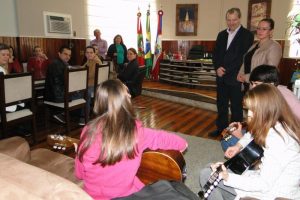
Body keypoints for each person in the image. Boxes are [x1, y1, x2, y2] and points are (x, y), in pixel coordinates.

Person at [75, 79, 187, 200]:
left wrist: (78, 154)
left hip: (91, 196)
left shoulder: (88, 131)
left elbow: (79, 174)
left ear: (99, 102)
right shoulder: (139, 132)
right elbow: (182, 144)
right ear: (126, 101)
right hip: (125, 195)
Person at [200, 84, 300, 200]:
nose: (249, 114)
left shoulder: (277, 140)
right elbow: (251, 134)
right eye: (248, 110)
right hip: (267, 182)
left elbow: (263, 184)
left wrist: (227, 177)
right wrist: (238, 145)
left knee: (207, 175)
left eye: (253, 110)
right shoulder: (280, 123)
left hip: (273, 193)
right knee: (211, 170)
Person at [221, 64, 300, 151]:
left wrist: (240, 136)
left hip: (281, 142)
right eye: (252, 83)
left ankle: (254, 163)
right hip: (272, 134)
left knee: (228, 141)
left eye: (256, 84)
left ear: (271, 84)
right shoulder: (275, 92)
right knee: (227, 138)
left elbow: (269, 137)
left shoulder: (280, 99)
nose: (253, 87)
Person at [209, 8, 254, 137]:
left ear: (239, 19)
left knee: (236, 108)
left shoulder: (247, 35)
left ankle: (235, 132)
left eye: (234, 20)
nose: (231, 22)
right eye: (229, 20)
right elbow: (216, 54)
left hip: (236, 77)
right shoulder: (221, 34)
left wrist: (226, 70)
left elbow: (242, 57)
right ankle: (221, 129)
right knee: (221, 105)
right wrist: (217, 67)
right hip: (221, 76)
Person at [44, 45, 86, 125]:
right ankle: (71, 115)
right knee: (82, 93)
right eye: (65, 54)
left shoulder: (62, 63)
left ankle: (68, 114)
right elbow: (60, 84)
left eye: (69, 55)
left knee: (81, 92)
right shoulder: (56, 65)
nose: (68, 57)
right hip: (56, 95)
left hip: (58, 92)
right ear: (59, 54)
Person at [237, 18, 282, 87]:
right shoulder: (254, 45)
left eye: (264, 29)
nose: (260, 31)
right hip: (247, 84)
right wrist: (240, 74)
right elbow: (245, 62)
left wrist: (246, 77)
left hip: (260, 87)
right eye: (258, 28)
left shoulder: (274, 46)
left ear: (271, 31)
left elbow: (269, 72)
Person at [82, 45, 102, 114]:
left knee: (83, 93)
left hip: (94, 85)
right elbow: (83, 68)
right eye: (87, 53)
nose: (89, 54)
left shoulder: (96, 61)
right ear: (85, 54)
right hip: (89, 84)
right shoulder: (89, 60)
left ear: (94, 53)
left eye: (91, 52)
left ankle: (83, 116)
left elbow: (90, 75)